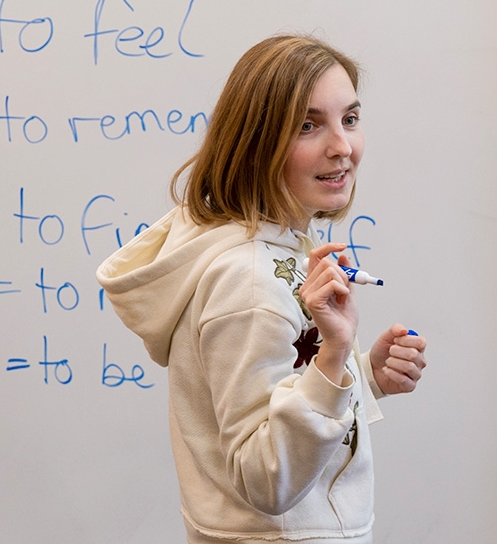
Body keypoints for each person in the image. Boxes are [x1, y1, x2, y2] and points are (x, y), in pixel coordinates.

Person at [96, 35, 427, 543]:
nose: (342, 146)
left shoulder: (278, 248)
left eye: (351, 119)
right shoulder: (246, 281)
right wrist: (336, 350)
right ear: (256, 142)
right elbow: (266, 477)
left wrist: (362, 375)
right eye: (308, 125)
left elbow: (277, 389)